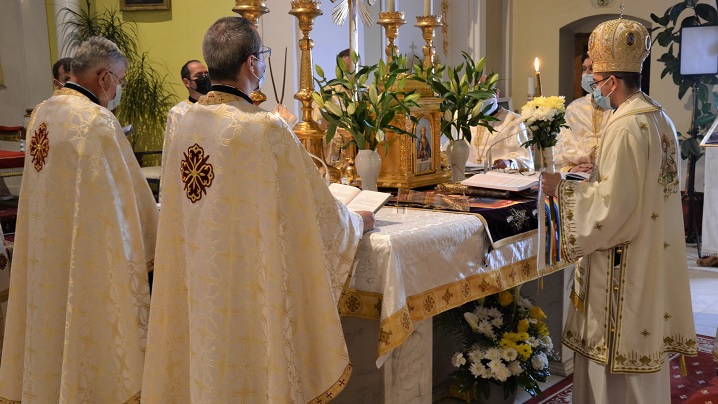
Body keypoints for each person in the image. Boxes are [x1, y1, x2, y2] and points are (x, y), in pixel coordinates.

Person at [141, 16, 374, 402]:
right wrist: (356, 222)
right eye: (262, 56)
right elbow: (317, 212)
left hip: (200, 275)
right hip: (251, 278)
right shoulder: (264, 129)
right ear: (251, 64)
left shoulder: (185, 124)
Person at [541, 17, 696, 403]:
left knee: (616, 368)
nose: (593, 83)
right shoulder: (657, 116)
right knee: (641, 368)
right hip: (648, 257)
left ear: (612, 80)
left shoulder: (625, 126)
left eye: (597, 75)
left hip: (622, 269)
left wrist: (560, 190)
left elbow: (613, 208)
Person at [0, 37, 158, 402]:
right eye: (119, 80)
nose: (118, 88)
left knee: (49, 322)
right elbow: (133, 198)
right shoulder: (98, 121)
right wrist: (155, 244)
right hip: (86, 257)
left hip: (44, 252)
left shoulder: (42, 113)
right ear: (104, 78)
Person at [553, 53, 611, 173]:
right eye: (584, 69)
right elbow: (560, 155)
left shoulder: (619, 108)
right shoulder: (575, 109)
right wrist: (571, 169)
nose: (587, 74)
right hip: (578, 180)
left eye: (592, 69)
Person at [161, 60, 210, 193]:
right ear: (186, 82)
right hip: (189, 175)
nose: (205, 78)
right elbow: (171, 152)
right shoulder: (178, 113)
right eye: (199, 75)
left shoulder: (219, 108)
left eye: (207, 73)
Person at [469, 92, 533, 170]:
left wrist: (509, 162)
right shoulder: (467, 120)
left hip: (499, 176)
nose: (482, 99)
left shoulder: (514, 121)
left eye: (486, 94)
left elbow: (526, 160)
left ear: (497, 94)